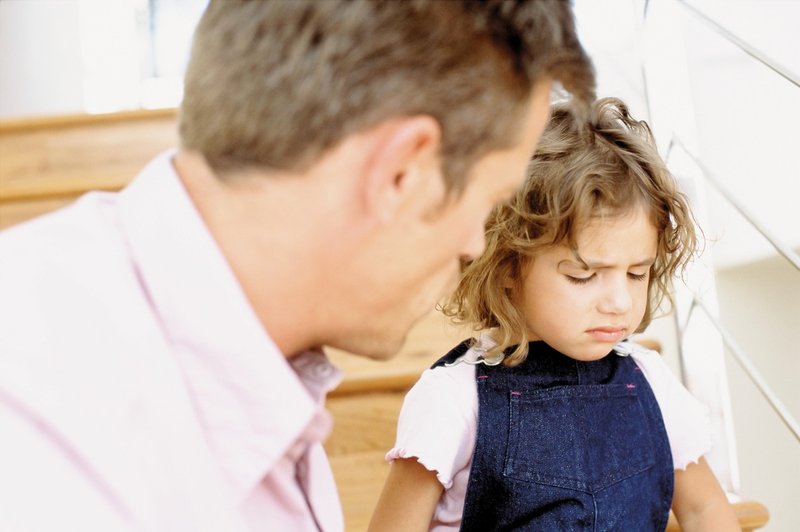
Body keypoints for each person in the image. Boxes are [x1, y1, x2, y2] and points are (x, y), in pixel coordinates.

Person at [0, 1, 595, 531]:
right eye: (488, 202)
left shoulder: (247, 349)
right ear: (400, 174)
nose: (474, 245)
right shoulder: (45, 451)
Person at [369, 98, 741, 532]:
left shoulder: (650, 381)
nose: (619, 301)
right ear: (507, 265)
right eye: (584, 275)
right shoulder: (453, 399)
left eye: (637, 273)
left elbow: (703, 510)